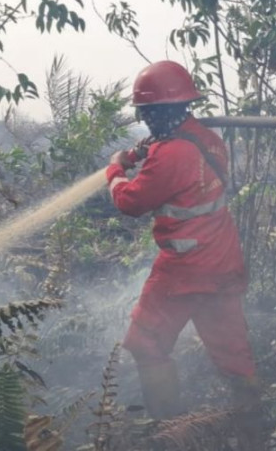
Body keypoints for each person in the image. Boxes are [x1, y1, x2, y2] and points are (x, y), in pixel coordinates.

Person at [106, 60, 263, 449]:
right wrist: (143, 154)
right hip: (222, 262)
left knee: (145, 344)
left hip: (184, 270)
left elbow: (131, 201)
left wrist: (115, 171)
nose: (145, 121)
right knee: (233, 354)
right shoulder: (206, 139)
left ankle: (170, 433)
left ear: (159, 112)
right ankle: (254, 430)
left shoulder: (171, 154)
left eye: (147, 113)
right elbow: (177, 166)